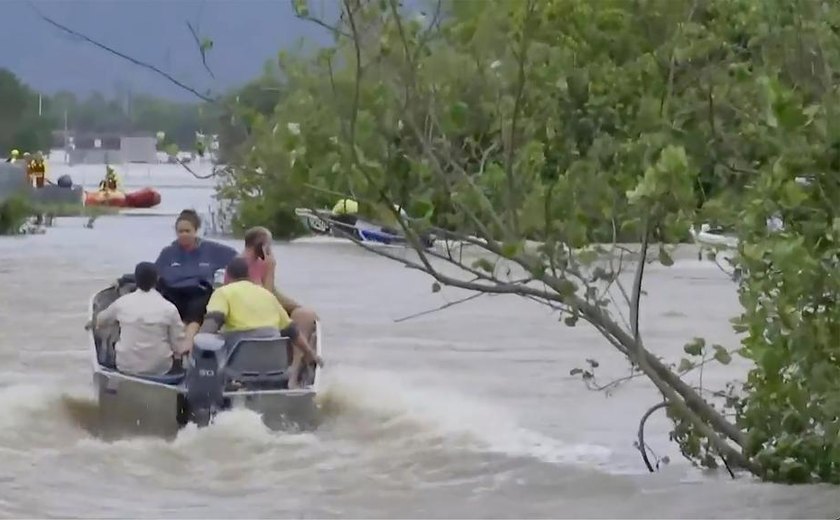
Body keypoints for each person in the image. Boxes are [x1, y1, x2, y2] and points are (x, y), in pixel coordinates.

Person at [201, 257, 323, 389]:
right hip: (275, 366)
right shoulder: (267, 295)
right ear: (249, 275)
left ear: (227, 276)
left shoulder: (223, 293)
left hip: (240, 365)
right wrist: (311, 354)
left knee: (211, 344)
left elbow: (211, 325)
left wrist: (195, 346)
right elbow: (292, 331)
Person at [154, 209, 238, 353]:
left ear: (196, 230)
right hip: (174, 292)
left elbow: (238, 260)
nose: (184, 235)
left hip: (199, 292)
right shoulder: (168, 252)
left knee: (197, 308)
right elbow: (153, 272)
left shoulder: (211, 249)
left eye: (187, 231)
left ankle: (187, 345)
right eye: (180, 231)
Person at [225, 226, 319, 342]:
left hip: (265, 311)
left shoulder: (259, 262)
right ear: (262, 246)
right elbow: (264, 300)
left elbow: (273, 291)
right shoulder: (241, 265)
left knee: (305, 315)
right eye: (269, 245)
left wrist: (296, 306)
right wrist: (270, 270)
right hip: (253, 316)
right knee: (302, 318)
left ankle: (297, 358)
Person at [95, 262, 185, 375]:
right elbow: (179, 345)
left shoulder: (122, 303)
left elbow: (100, 321)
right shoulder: (169, 308)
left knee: (113, 323)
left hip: (125, 366)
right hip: (160, 368)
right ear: (157, 280)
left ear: (136, 280)